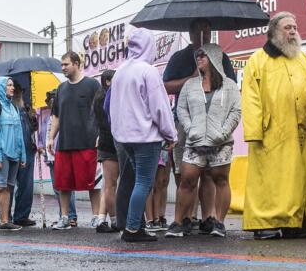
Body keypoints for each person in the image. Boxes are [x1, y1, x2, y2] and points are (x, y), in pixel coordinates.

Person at [241, 12, 306, 239]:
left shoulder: (302, 59)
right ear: (273, 33)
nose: (292, 31)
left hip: (303, 131)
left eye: (294, 27)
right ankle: (265, 223)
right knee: (271, 179)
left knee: (301, 177)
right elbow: (250, 97)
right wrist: (254, 131)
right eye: (287, 28)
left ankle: (297, 222)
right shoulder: (257, 60)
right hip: (273, 131)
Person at [162, 18, 240, 233]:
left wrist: (224, 130)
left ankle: (210, 218)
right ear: (190, 33)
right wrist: (191, 77)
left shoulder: (221, 58)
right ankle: (184, 219)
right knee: (185, 174)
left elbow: (234, 98)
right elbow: (167, 85)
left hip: (218, 130)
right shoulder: (180, 58)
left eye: (207, 30)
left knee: (212, 175)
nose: (203, 35)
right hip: (188, 127)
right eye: (198, 31)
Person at [109, 28, 175, 243]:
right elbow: (159, 107)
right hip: (146, 136)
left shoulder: (120, 71)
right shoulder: (148, 71)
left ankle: (132, 224)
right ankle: (132, 228)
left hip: (124, 137)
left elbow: (112, 106)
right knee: (144, 182)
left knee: (137, 180)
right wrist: (170, 133)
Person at [46, 51, 101, 230]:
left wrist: (101, 135)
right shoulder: (61, 88)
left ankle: (96, 217)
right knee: (63, 183)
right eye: (62, 65)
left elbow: (101, 112)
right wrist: (50, 138)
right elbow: (56, 116)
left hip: (88, 142)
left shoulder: (92, 85)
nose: (63, 68)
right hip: (65, 144)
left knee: (93, 183)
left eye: (66, 64)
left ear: (76, 64)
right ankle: (64, 217)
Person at [0, 76, 27, 233]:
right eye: (9, 85)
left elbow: (19, 133)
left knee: (8, 188)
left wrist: (23, 155)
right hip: (2, 154)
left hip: (14, 154)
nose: (12, 88)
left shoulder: (13, 107)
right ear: (1, 87)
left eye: (12, 85)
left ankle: (5, 221)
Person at [10, 81, 39, 227]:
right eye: (15, 90)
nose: (18, 93)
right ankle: (6, 216)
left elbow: (34, 129)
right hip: (12, 150)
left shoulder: (27, 108)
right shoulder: (6, 108)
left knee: (26, 186)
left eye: (20, 90)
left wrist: (34, 118)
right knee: (8, 185)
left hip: (28, 150)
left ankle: (22, 215)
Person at [93, 69, 119, 233]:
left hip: (104, 142)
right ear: (108, 81)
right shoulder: (108, 98)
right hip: (112, 143)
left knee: (107, 184)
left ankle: (101, 218)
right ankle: (116, 220)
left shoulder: (98, 97)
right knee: (111, 185)